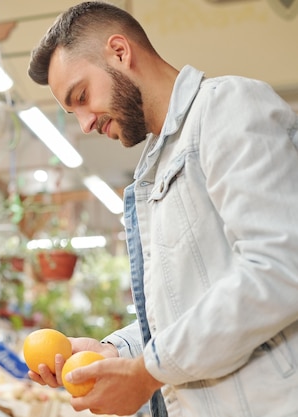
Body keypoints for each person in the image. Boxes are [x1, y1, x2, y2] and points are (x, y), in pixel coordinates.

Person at [26, 2, 298, 416]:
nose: (84, 124)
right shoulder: (151, 174)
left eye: (81, 96)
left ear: (120, 52)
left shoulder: (228, 108)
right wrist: (115, 350)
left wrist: (148, 372)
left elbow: (279, 266)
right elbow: (188, 307)